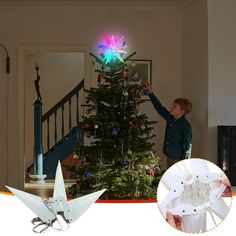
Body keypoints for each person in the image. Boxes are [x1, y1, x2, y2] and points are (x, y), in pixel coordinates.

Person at [146, 84, 192, 168]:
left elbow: (187, 146)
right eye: (172, 105)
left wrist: (185, 163)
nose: (171, 107)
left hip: (178, 160)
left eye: (175, 106)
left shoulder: (185, 126)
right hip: (169, 156)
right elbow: (159, 108)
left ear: (181, 111)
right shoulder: (170, 118)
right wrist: (151, 93)